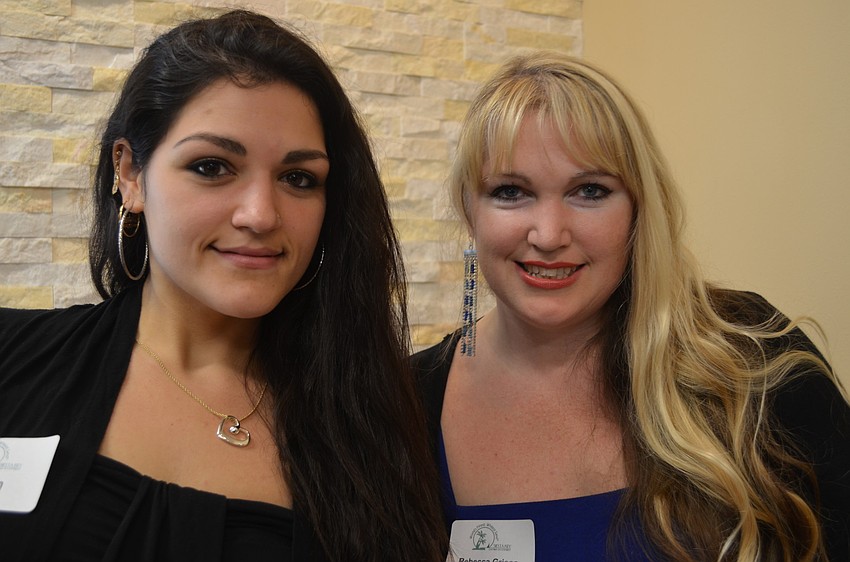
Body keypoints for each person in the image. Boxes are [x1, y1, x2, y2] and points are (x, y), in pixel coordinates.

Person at [0, 10, 447, 561]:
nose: (260, 215)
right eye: (213, 167)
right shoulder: (12, 359)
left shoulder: (375, 426)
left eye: (298, 178)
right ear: (131, 175)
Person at [413, 52, 850, 561]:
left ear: (640, 209)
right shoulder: (406, 403)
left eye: (590, 190)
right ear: (470, 209)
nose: (549, 235)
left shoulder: (750, 357)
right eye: (511, 192)